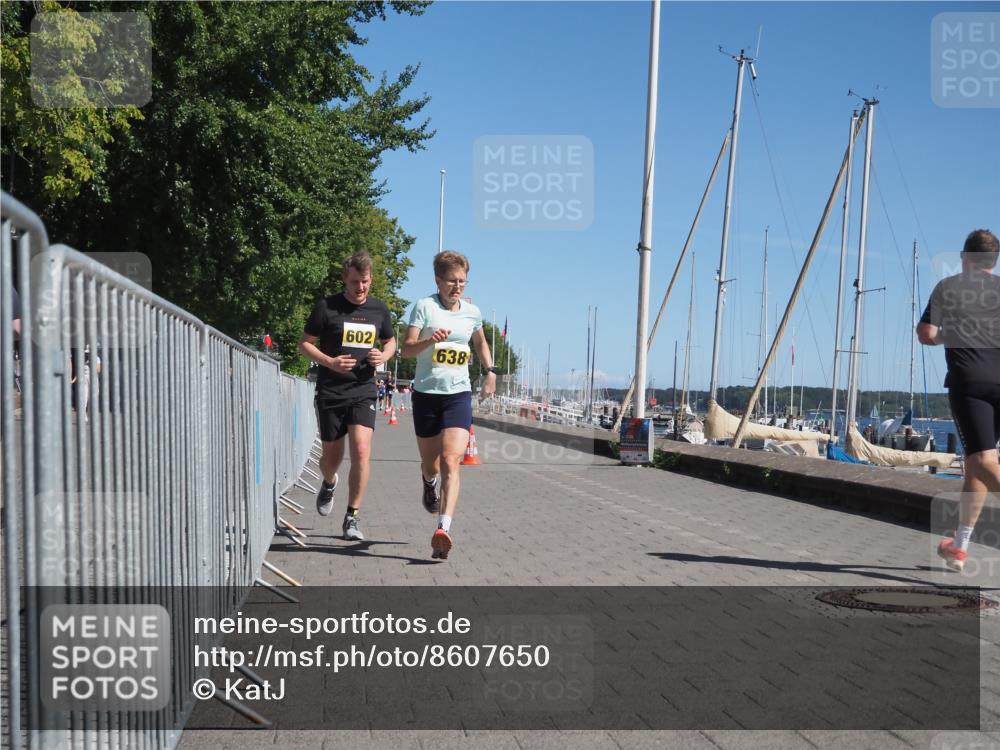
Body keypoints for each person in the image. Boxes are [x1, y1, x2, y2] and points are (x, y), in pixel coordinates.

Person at [401, 251, 497, 560]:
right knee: (431, 465)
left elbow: (480, 343)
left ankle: (443, 529)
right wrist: (430, 341)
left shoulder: (472, 312)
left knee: (450, 461)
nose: (457, 287)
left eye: (462, 281)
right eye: (452, 281)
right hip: (427, 394)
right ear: (438, 280)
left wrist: (490, 372)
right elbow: (406, 350)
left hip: (458, 395)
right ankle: (428, 483)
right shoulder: (424, 307)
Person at [918, 229, 1000, 572]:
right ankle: (959, 548)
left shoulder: (949, 286)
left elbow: (926, 334)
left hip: (971, 383)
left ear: (965, 257)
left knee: (981, 460)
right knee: (975, 466)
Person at [299, 251, 396, 541]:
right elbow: (304, 344)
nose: (361, 288)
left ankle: (352, 517)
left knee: (362, 450)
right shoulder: (327, 308)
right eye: (355, 282)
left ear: (371, 280)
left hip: (363, 389)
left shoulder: (379, 310)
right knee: (332, 458)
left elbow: (390, 340)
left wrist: (384, 354)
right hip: (331, 390)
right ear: (345, 279)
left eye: (365, 282)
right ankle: (329, 483)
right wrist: (329, 362)